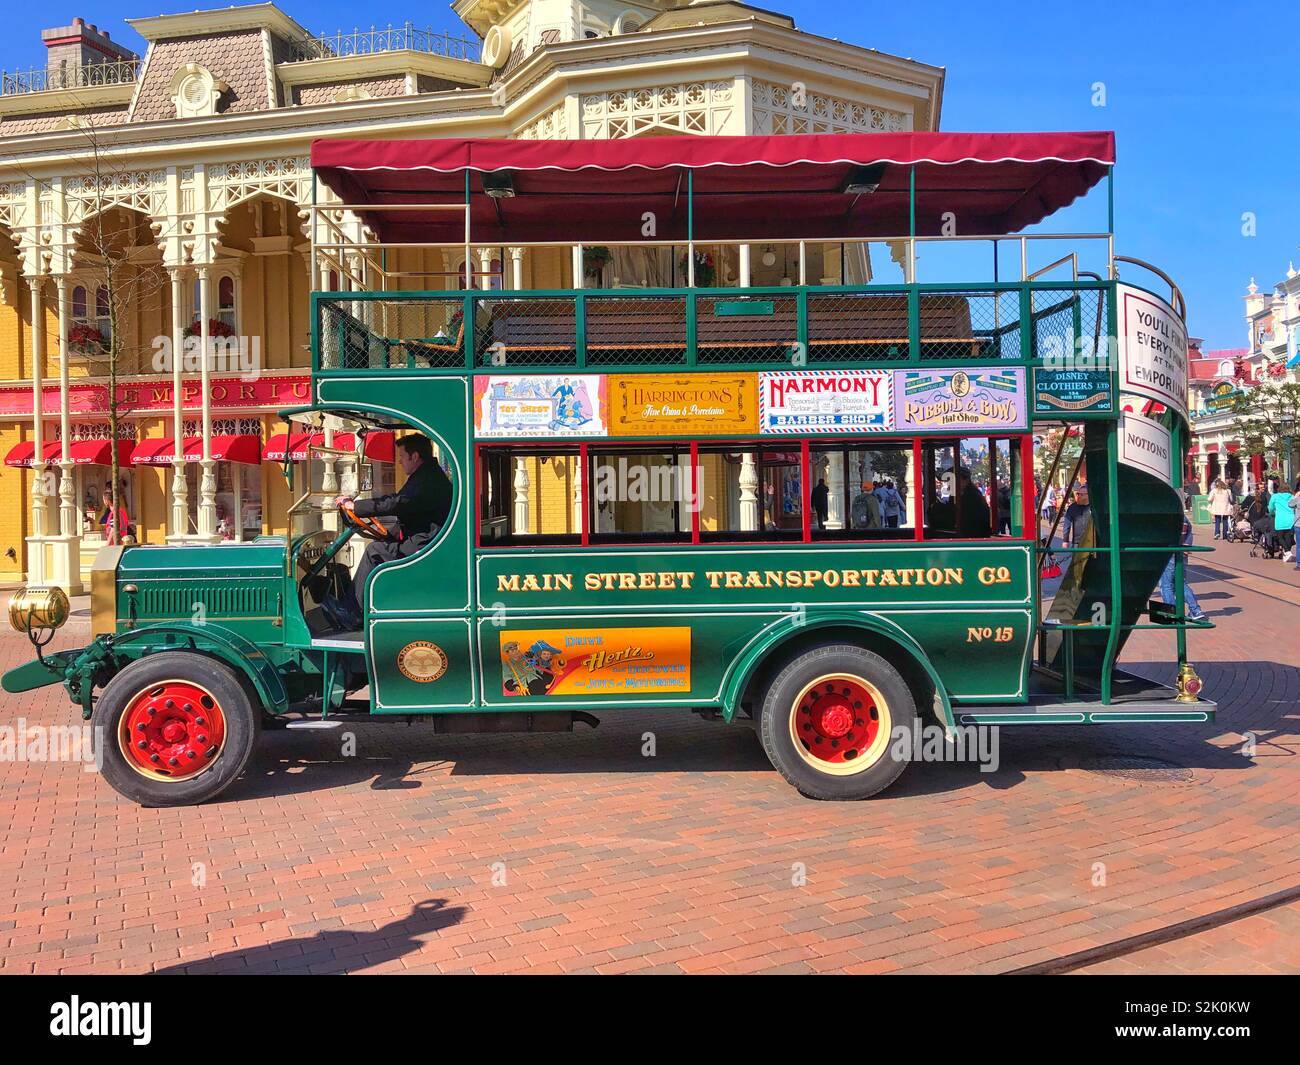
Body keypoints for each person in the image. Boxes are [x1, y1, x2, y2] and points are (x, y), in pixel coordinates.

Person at [335, 434, 452, 614]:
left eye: (402, 457)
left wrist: (355, 506)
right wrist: (389, 534)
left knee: (374, 551)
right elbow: (409, 509)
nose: (399, 462)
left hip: (425, 543)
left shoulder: (426, 479)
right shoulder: (426, 475)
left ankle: (353, 613)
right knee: (382, 545)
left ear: (415, 456)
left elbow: (398, 503)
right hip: (425, 537)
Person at [1159, 505, 1206, 622]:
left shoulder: (1167, 518)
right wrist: (1186, 545)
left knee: (1166, 584)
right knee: (1180, 583)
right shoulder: (1184, 518)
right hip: (1182, 553)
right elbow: (1189, 531)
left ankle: (1172, 613)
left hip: (1169, 552)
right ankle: (1196, 610)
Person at [929, 465, 990, 537]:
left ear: (965, 480)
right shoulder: (956, 494)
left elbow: (957, 516)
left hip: (973, 536)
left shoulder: (972, 495)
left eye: (952, 480)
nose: (949, 484)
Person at [1060, 485, 1093, 553]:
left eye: (1081, 494)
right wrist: (1065, 540)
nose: (1078, 496)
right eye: (1077, 494)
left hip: (1092, 542)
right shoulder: (1072, 507)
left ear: (1088, 495)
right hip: (1077, 542)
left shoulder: (1094, 507)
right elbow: (1067, 524)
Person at [1268, 479, 1295, 560]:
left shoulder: (1275, 497)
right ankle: (1286, 554)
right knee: (1288, 537)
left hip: (1280, 519)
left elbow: (1271, 508)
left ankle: (1287, 552)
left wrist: (1272, 512)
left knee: (1280, 537)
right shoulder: (1292, 497)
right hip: (1291, 519)